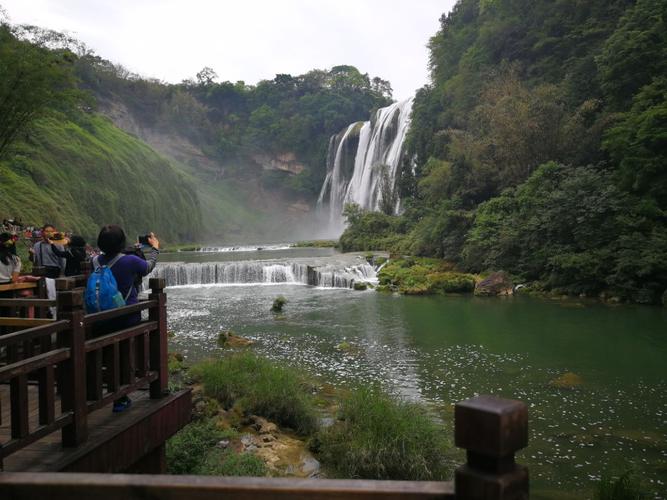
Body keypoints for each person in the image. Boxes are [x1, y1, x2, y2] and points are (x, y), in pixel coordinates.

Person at [94, 224, 159, 412]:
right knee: (124, 357)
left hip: (100, 318)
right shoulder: (130, 261)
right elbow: (148, 267)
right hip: (126, 319)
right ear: (122, 242)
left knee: (107, 356)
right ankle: (120, 398)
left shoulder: (95, 262)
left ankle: (101, 395)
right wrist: (154, 248)